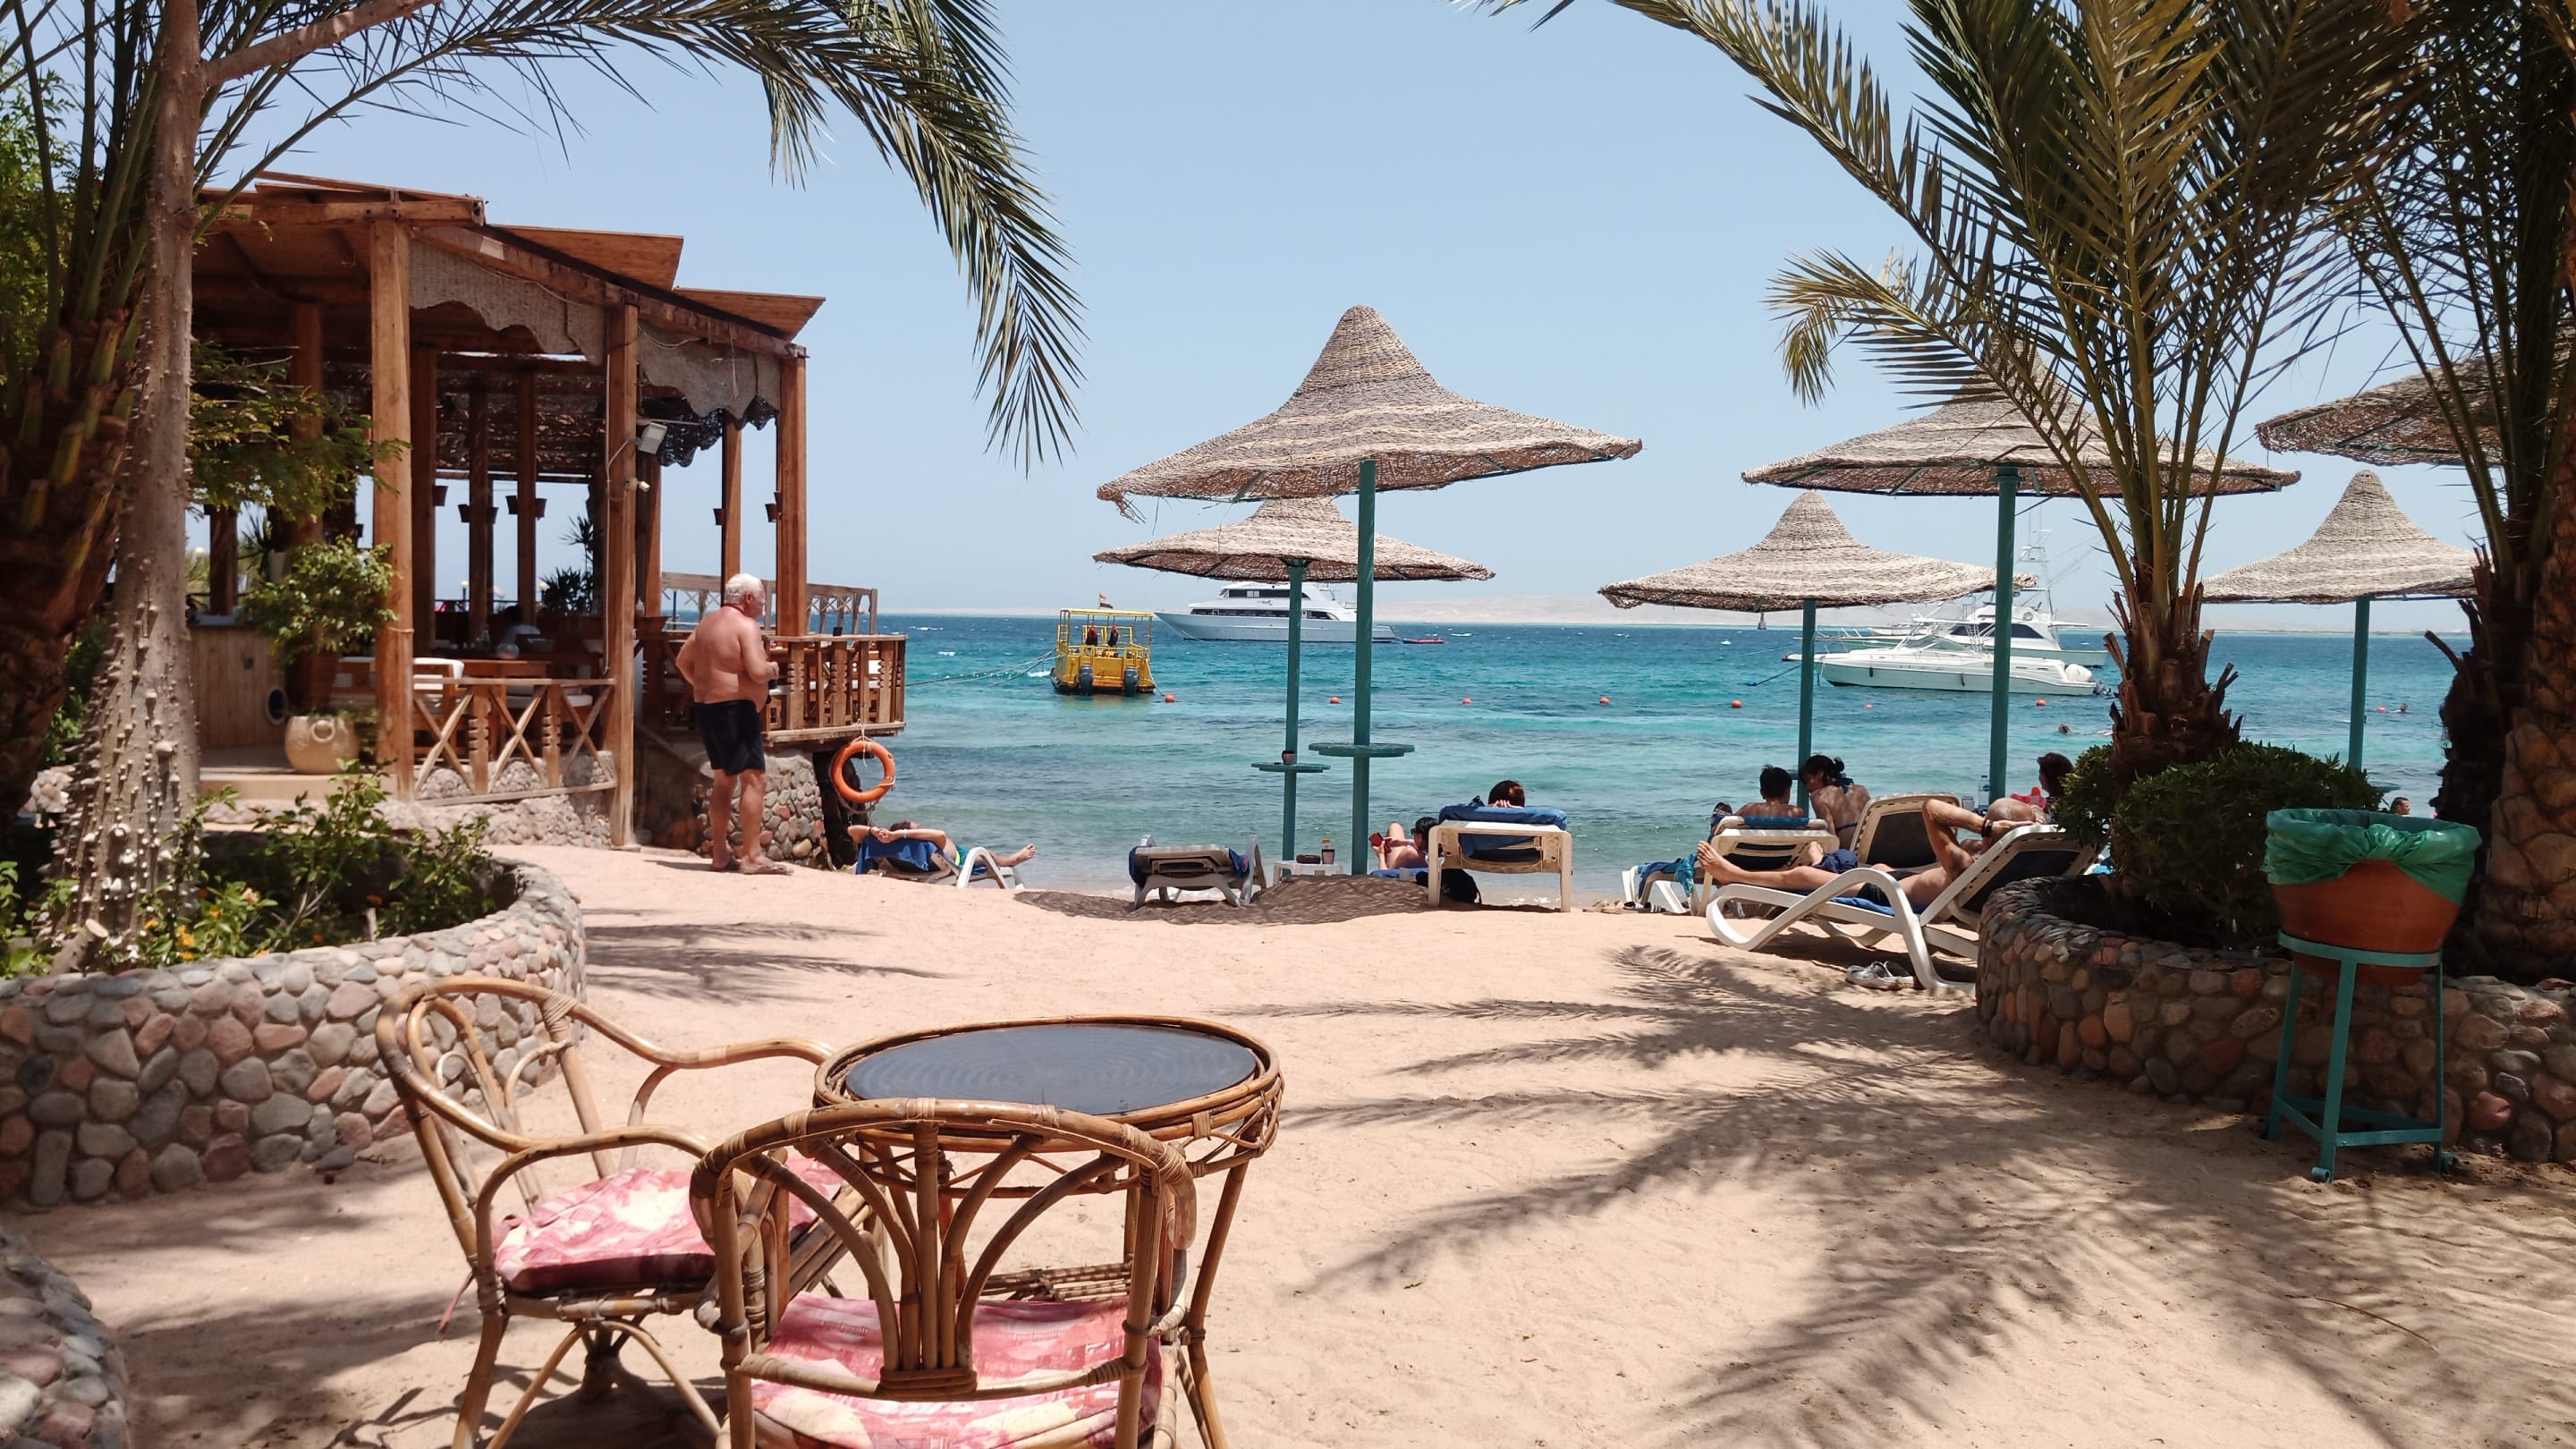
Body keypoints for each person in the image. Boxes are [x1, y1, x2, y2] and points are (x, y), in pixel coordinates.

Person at [675, 572, 784, 874]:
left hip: (707, 708)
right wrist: (773, 668)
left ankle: (720, 854)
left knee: (724, 780)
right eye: (762, 598)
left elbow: (682, 662)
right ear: (748, 598)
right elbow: (757, 671)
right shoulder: (746, 625)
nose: (764, 604)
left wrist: (707, 685)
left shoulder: (706, 625)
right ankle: (752, 856)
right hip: (735, 710)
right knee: (755, 779)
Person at [850, 820, 1037, 876]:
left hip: (912, 865)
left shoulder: (886, 845)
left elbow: (851, 831)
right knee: (987, 854)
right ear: (906, 829)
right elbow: (940, 834)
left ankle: (1007, 860)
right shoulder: (920, 844)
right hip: (959, 861)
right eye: (915, 826)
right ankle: (1010, 861)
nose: (919, 826)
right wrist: (901, 835)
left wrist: (872, 831)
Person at [1801, 754, 1872, 849]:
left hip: (1848, 851)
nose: (1807, 788)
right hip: (1872, 847)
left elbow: (1830, 838)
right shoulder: (1861, 789)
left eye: (1808, 781)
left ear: (1820, 774)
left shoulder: (1819, 796)